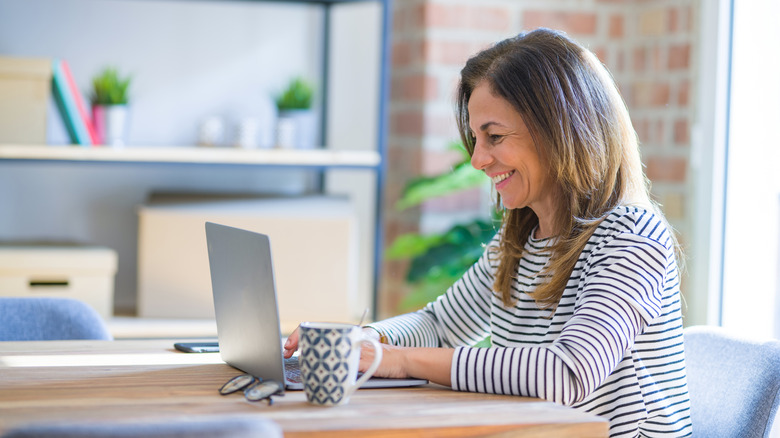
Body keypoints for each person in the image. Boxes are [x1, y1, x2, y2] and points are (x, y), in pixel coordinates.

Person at [284, 28, 692, 437]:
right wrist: (365, 340)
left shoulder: (631, 237)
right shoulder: (519, 242)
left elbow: (567, 373)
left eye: (494, 136)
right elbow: (441, 326)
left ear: (558, 130)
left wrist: (397, 359)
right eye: (476, 138)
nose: (478, 159)